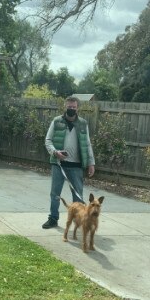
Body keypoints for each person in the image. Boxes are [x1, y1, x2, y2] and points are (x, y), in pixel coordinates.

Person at [42, 96, 95, 229]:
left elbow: (87, 144)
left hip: (76, 166)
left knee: (78, 196)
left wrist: (91, 163)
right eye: (69, 107)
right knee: (55, 194)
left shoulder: (83, 123)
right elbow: (48, 140)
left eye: (74, 107)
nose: (71, 109)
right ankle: (53, 218)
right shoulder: (57, 121)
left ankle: (79, 221)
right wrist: (55, 152)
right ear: (65, 107)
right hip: (59, 165)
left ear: (77, 108)